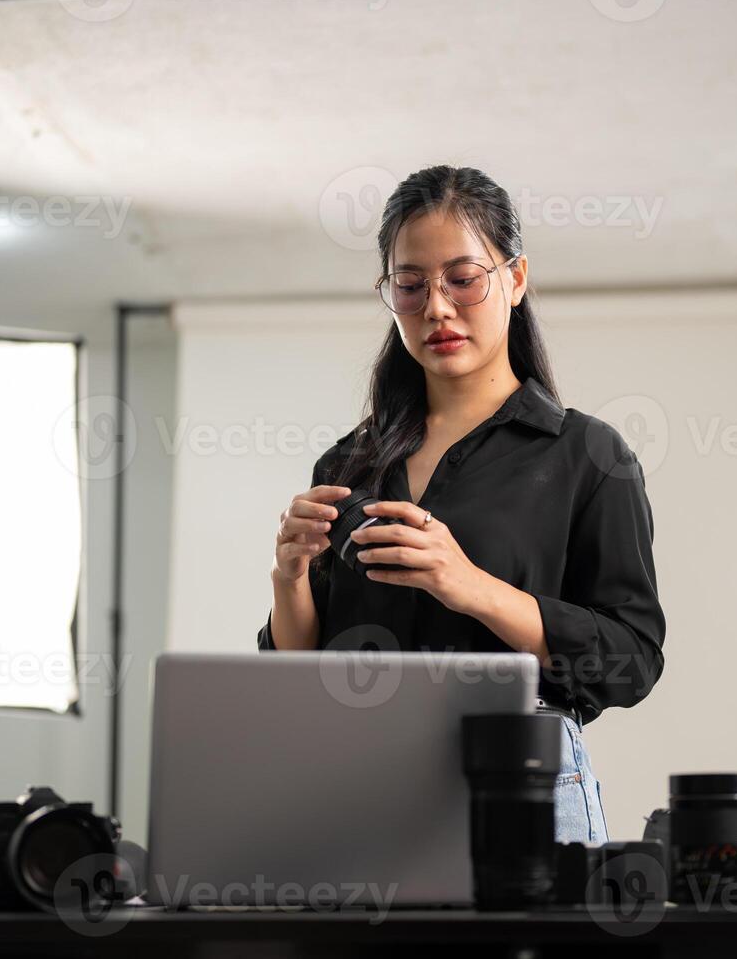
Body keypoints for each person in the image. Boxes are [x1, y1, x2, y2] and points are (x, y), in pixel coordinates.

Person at [257, 165, 665, 843]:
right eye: (410, 285)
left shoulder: (586, 454)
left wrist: (467, 586)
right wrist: (288, 577)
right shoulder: (346, 464)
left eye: (463, 278)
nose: (437, 307)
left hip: (521, 774)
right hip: (357, 771)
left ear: (514, 278)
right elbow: (304, 677)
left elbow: (631, 660)